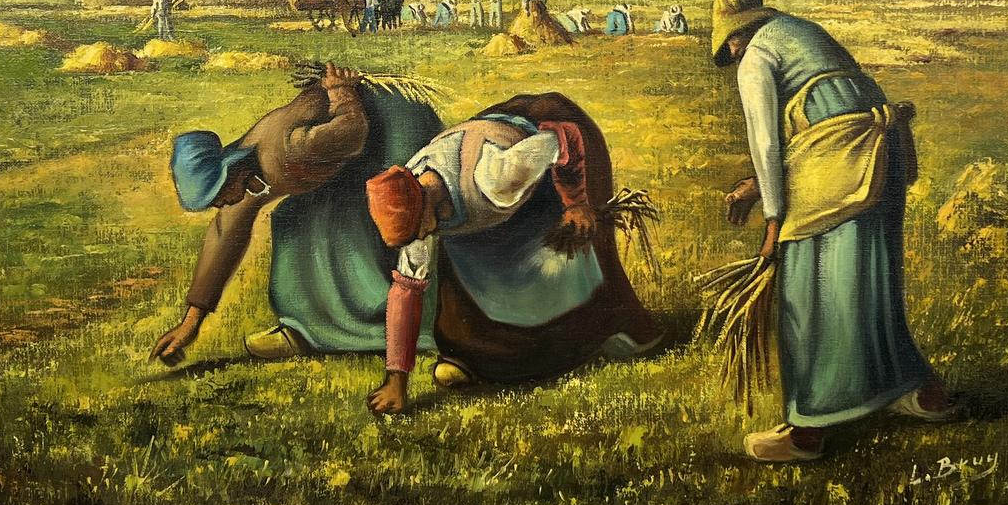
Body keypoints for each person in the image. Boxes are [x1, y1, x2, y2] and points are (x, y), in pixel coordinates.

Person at [709, 0, 956, 462]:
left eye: (729, 45)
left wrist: (773, 222)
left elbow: (769, 143)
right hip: (880, 153)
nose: (733, 54)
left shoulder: (756, 57)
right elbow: (821, 127)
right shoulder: (803, 32)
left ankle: (808, 429)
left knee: (808, 289)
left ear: (737, 35)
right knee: (873, 280)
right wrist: (757, 187)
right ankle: (925, 395)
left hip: (840, 167)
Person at [361, 93, 661, 414]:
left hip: (546, 143)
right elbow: (407, 290)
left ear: (427, 203)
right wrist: (396, 381)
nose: (419, 238)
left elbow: (563, 139)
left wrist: (575, 202)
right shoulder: (410, 195)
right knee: (465, 277)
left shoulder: (497, 176)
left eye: (418, 230)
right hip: (487, 191)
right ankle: (469, 357)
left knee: (572, 253)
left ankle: (612, 326)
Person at [152, 63, 444, 366]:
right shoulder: (245, 174)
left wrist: (340, 90)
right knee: (290, 221)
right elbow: (225, 234)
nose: (220, 204)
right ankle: (307, 330)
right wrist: (190, 324)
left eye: (217, 195)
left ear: (230, 171)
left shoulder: (288, 150)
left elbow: (352, 133)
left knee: (376, 218)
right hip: (348, 149)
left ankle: (406, 326)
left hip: (395, 124)